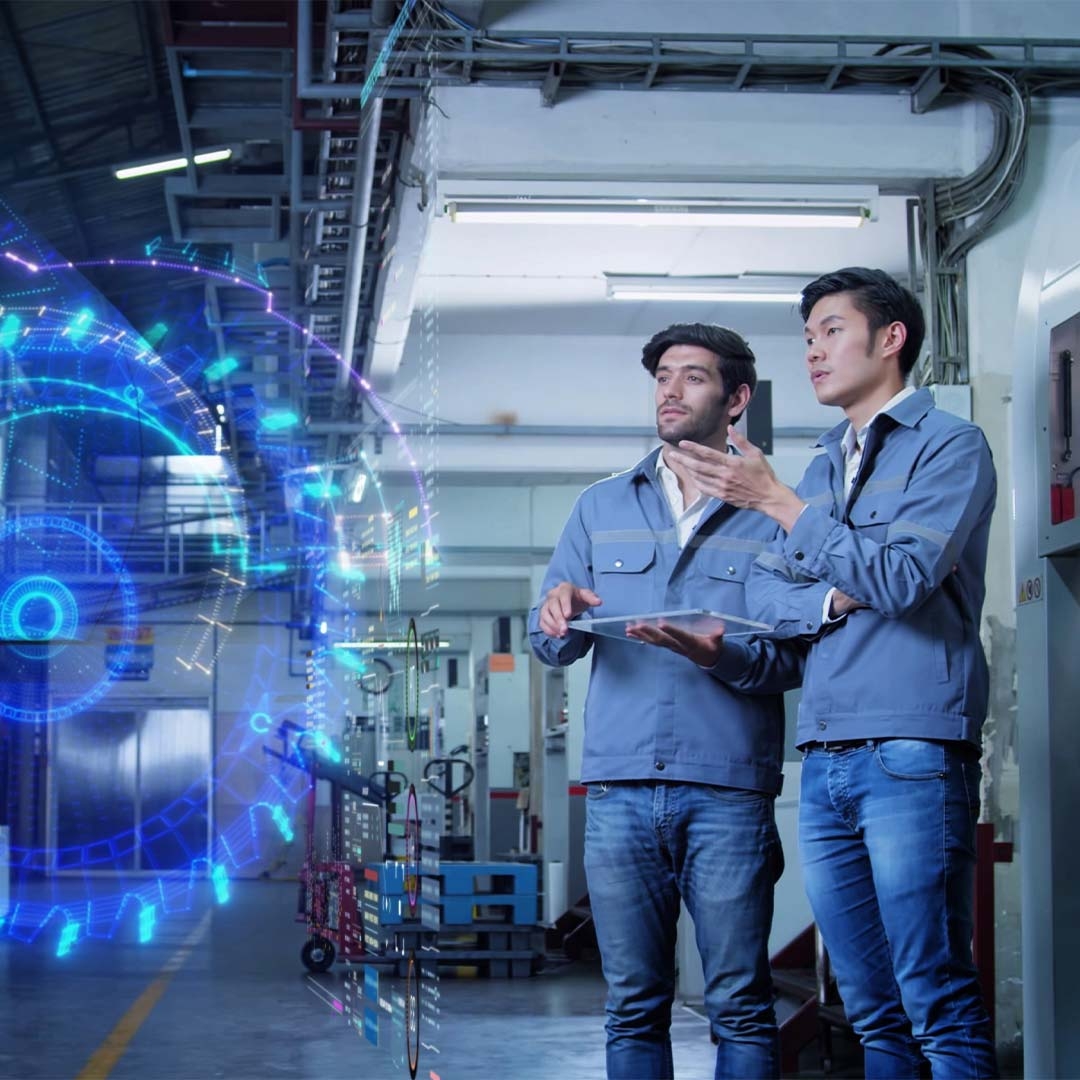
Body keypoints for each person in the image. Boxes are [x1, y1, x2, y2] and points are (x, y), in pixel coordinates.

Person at [665, 268, 999, 1078]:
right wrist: (831, 598)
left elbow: (900, 580)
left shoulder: (950, 447)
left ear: (892, 339)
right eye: (807, 336)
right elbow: (767, 594)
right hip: (823, 757)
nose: (813, 351)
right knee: (869, 1006)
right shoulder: (818, 470)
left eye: (831, 330)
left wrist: (784, 512)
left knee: (934, 993)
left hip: (912, 748)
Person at [528, 322, 804, 1080]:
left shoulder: (776, 517)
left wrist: (726, 656)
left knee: (740, 1004)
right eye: (662, 377)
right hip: (618, 790)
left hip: (728, 790)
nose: (671, 390)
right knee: (633, 1004)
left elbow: (793, 655)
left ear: (736, 398)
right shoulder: (600, 507)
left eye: (693, 376)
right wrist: (554, 614)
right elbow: (553, 640)